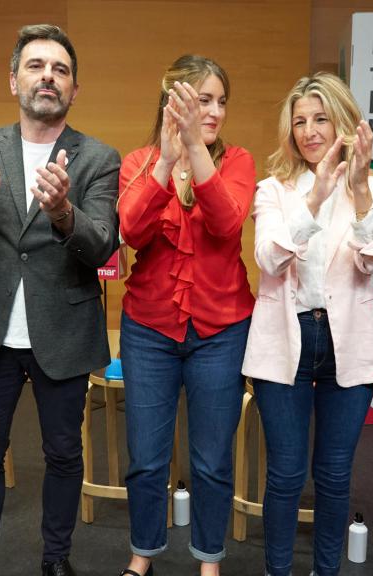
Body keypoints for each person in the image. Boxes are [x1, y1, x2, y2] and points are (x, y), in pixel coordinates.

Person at [0, 24, 120, 576]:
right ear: (13, 78)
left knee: (64, 456)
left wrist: (64, 213)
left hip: (62, 333)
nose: (48, 77)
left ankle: (56, 560)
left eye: (60, 69)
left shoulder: (97, 157)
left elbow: (102, 244)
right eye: (36, 66)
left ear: (74, 89)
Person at [241, 72, 373, 576]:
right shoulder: (272, 189)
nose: (309, 131)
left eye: (321, 119)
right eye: (300, 121)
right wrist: (314, 198)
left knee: (333, 476)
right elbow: (269, 258)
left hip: (346, 340)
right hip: (286, 339)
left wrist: (356, 194)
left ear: (344, 123)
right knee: (285, 475)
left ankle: (325, 571)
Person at [117, 55, 255, 576]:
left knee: (212, 459)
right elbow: (130, 232)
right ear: (173, 102)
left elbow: (225, 224)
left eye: (221, 100)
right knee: (147, 457)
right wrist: (165, 160)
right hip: (149, 328)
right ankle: (142, 554)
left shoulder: (236, 160)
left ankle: (208, 560)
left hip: (221, 329)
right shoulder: (136, 161)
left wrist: (196, 149)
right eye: (204, 99)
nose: (215, 110)